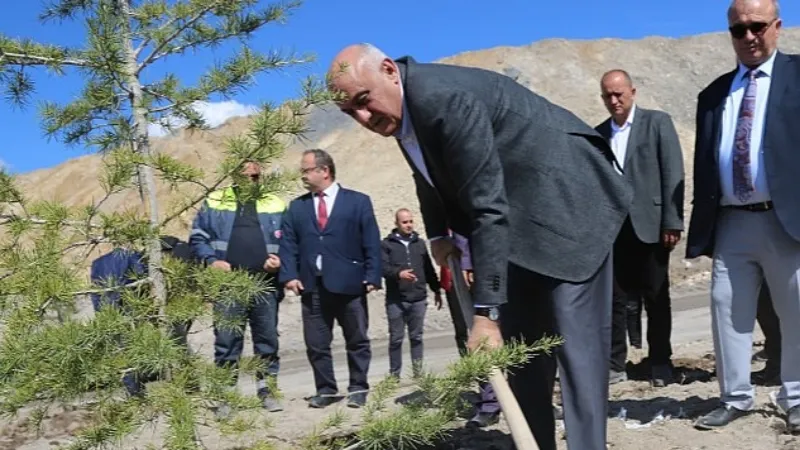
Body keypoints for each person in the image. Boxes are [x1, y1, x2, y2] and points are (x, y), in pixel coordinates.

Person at [328, 44, 632, 450]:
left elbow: (487, 206)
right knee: (520, 352)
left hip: (570, 208)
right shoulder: (402, 113)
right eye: (350, 113)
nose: (363, 118)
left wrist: (486, 315)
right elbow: (429, 173)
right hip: (515, 223)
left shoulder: (444, 99)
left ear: (388, 70)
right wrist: (438, 235)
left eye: (364, 101)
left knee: (576, 352)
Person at [686, 0, 800, 431]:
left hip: (788, 219)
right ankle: (734, 397)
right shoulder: (713, 94)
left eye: (757, 26)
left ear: (777, 26)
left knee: (796, 311)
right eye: (738, 29)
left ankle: (796, 396)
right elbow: (704, 162)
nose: (749, 36)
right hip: (732, 220)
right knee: (726, 308)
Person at [595, 69, 685, 387]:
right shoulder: (598, 134)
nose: (614, 100)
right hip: (615, 231)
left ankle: (660, 360)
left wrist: (672, 221)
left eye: (619, 93)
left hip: (651, 226)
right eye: (608, 95)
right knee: (614, 300)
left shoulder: (656, 122)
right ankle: (615, 364)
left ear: (633, 92)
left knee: (656, 296)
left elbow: (672, 170)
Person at [278, 148, 382, 409]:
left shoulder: (358, 201)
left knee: (356, 339)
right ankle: (325, 390)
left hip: (350, 284)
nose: (302, 175)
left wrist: (373, 275)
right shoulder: (297, 207)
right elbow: (288, 244)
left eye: (306, 170)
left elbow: (371, 240)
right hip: (312, 286)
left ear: (324, 171)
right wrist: (289, 274)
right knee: (316, 343)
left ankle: (358, 387)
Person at [189, 160, 286, 414]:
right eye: (245, 177)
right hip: (228, 286)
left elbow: (291, 241)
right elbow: (198, 237)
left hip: (264, 285)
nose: (250, 182)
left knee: (267, 342)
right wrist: (211, 261)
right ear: (234, 177)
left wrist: (280, 261)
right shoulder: (215, 201)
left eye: (255, 177)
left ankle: (268, 391)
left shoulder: (275, 202)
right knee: (227, 342)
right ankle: (226, 398)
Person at [89, 235, 197, 396]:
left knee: (122, 349)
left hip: (105, 308)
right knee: (175, 339)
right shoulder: (135, 258)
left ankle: (135, 392)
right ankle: (188, 384)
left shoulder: (97, 263)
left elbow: (95, 290)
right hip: (128, 303)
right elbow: (142, 280)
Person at [381, 208, 441, 379]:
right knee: (396, 339)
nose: (408, 225)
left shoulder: (419, 243)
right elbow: (383, 268)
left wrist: (436, 289)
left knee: (417, 337)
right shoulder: (386, 245)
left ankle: (418, 373)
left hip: (418, 298)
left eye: (410, 221)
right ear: (396, 224)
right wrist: (398, 274)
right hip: (396, 300)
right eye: (404, 222)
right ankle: (394, 375)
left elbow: (428, 268)